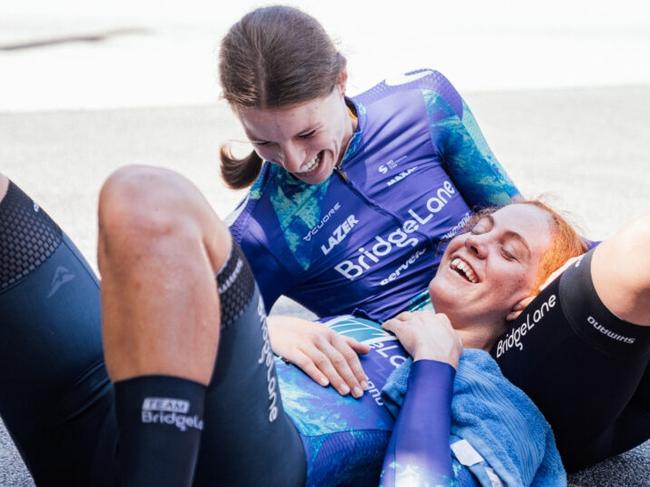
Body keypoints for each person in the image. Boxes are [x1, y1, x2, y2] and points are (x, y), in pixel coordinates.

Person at [1, 168, 648, 485]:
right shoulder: (359, 325)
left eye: (508, 249)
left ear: (528, 299)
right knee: (125, 195)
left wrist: (433, 366)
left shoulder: (502, 400)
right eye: (478, 226)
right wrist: (263, 329)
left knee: (150, 197)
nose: (478, 240)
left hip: (255, 465)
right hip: (120, 427)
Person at [218, 5, 520, 399]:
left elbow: (521, 220)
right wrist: (267, 329)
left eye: (307, 132)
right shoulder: (259, 230)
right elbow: (192, 331)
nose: (294, 161)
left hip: (519, 319)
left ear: (341, 81)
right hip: (431, 375)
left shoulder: (424, 105)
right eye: (264, 142)